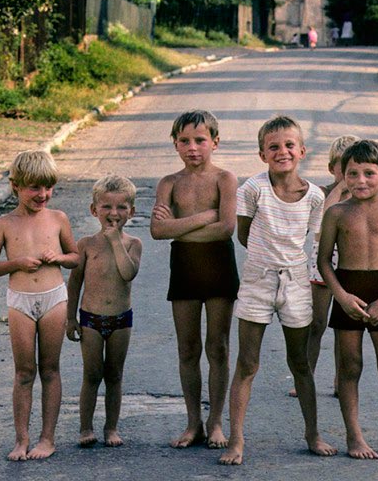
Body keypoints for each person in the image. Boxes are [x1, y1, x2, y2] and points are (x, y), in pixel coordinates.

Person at [219, 115, 337, 465]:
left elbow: (308, 240)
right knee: (247, 362)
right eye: (273, 147)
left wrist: (286, 266)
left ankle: (312, 433)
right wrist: (265, 260)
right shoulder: (253, 189)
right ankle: (236, 440)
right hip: (258, 279)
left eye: (289, 145)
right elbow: (243, 234)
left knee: (300, 362)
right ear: (262, 154)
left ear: (302, 150)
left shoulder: (315, 196)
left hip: (296, 281)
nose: (282, 152)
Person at [318, 139, 378, 460]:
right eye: (353, 174)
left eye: (369, 174)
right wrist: (342, 297)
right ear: (343, 176)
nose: (361, 181)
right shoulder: (335, 213)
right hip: (348, 291)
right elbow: (323, 261)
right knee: (349, 367)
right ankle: (354, 436)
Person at [0, 150, 78, 461]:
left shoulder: (58, 218)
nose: (43, 195)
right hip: (20, 301)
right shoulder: (4, 223)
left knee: (50, 369)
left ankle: (47, 438)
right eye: (34, 188)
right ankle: (21, 440)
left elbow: (76, 258)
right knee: (24, 371)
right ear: (16, 186)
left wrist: (59, 258)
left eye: (48, 188)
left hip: (53, 298)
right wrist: (17, 263)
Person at [151, 110, 239, 449]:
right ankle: (193, 423)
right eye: (185, 141)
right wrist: (205, 217)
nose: (193, 148)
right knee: (187, 347)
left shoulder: (224, 179)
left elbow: (226, 229)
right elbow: (158, 230)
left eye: (200, 140)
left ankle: (216, 422)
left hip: (218, 265)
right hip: (184, 266)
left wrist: (180, 227)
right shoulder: (169, 183)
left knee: (217, 346)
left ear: (214, 142)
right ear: (175, 144)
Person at [66, 175, 142, 448]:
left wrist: (115, 241)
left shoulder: (133, 244)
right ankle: (85, 428)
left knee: (115, 375)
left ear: (131, 212)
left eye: (122, 207)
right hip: (91, 319)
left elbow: (128, 273)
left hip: (121, 320)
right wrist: (70, 318)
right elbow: (74, 283)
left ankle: (111, 427)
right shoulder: (86, 244)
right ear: (94, 210)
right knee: (91, 374)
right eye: (107, 207)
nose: (114, 213)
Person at [289, 134, 359, 398]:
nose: (350, 174)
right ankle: (304, 378)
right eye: (344, 167)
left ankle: (342, 381)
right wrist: (340, 189)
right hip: (323, 263)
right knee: (316, 323)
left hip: (352, 266)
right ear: (333, 168)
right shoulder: (322, 193)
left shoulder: (363, 195)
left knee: (344, 327)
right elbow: (321, 226)